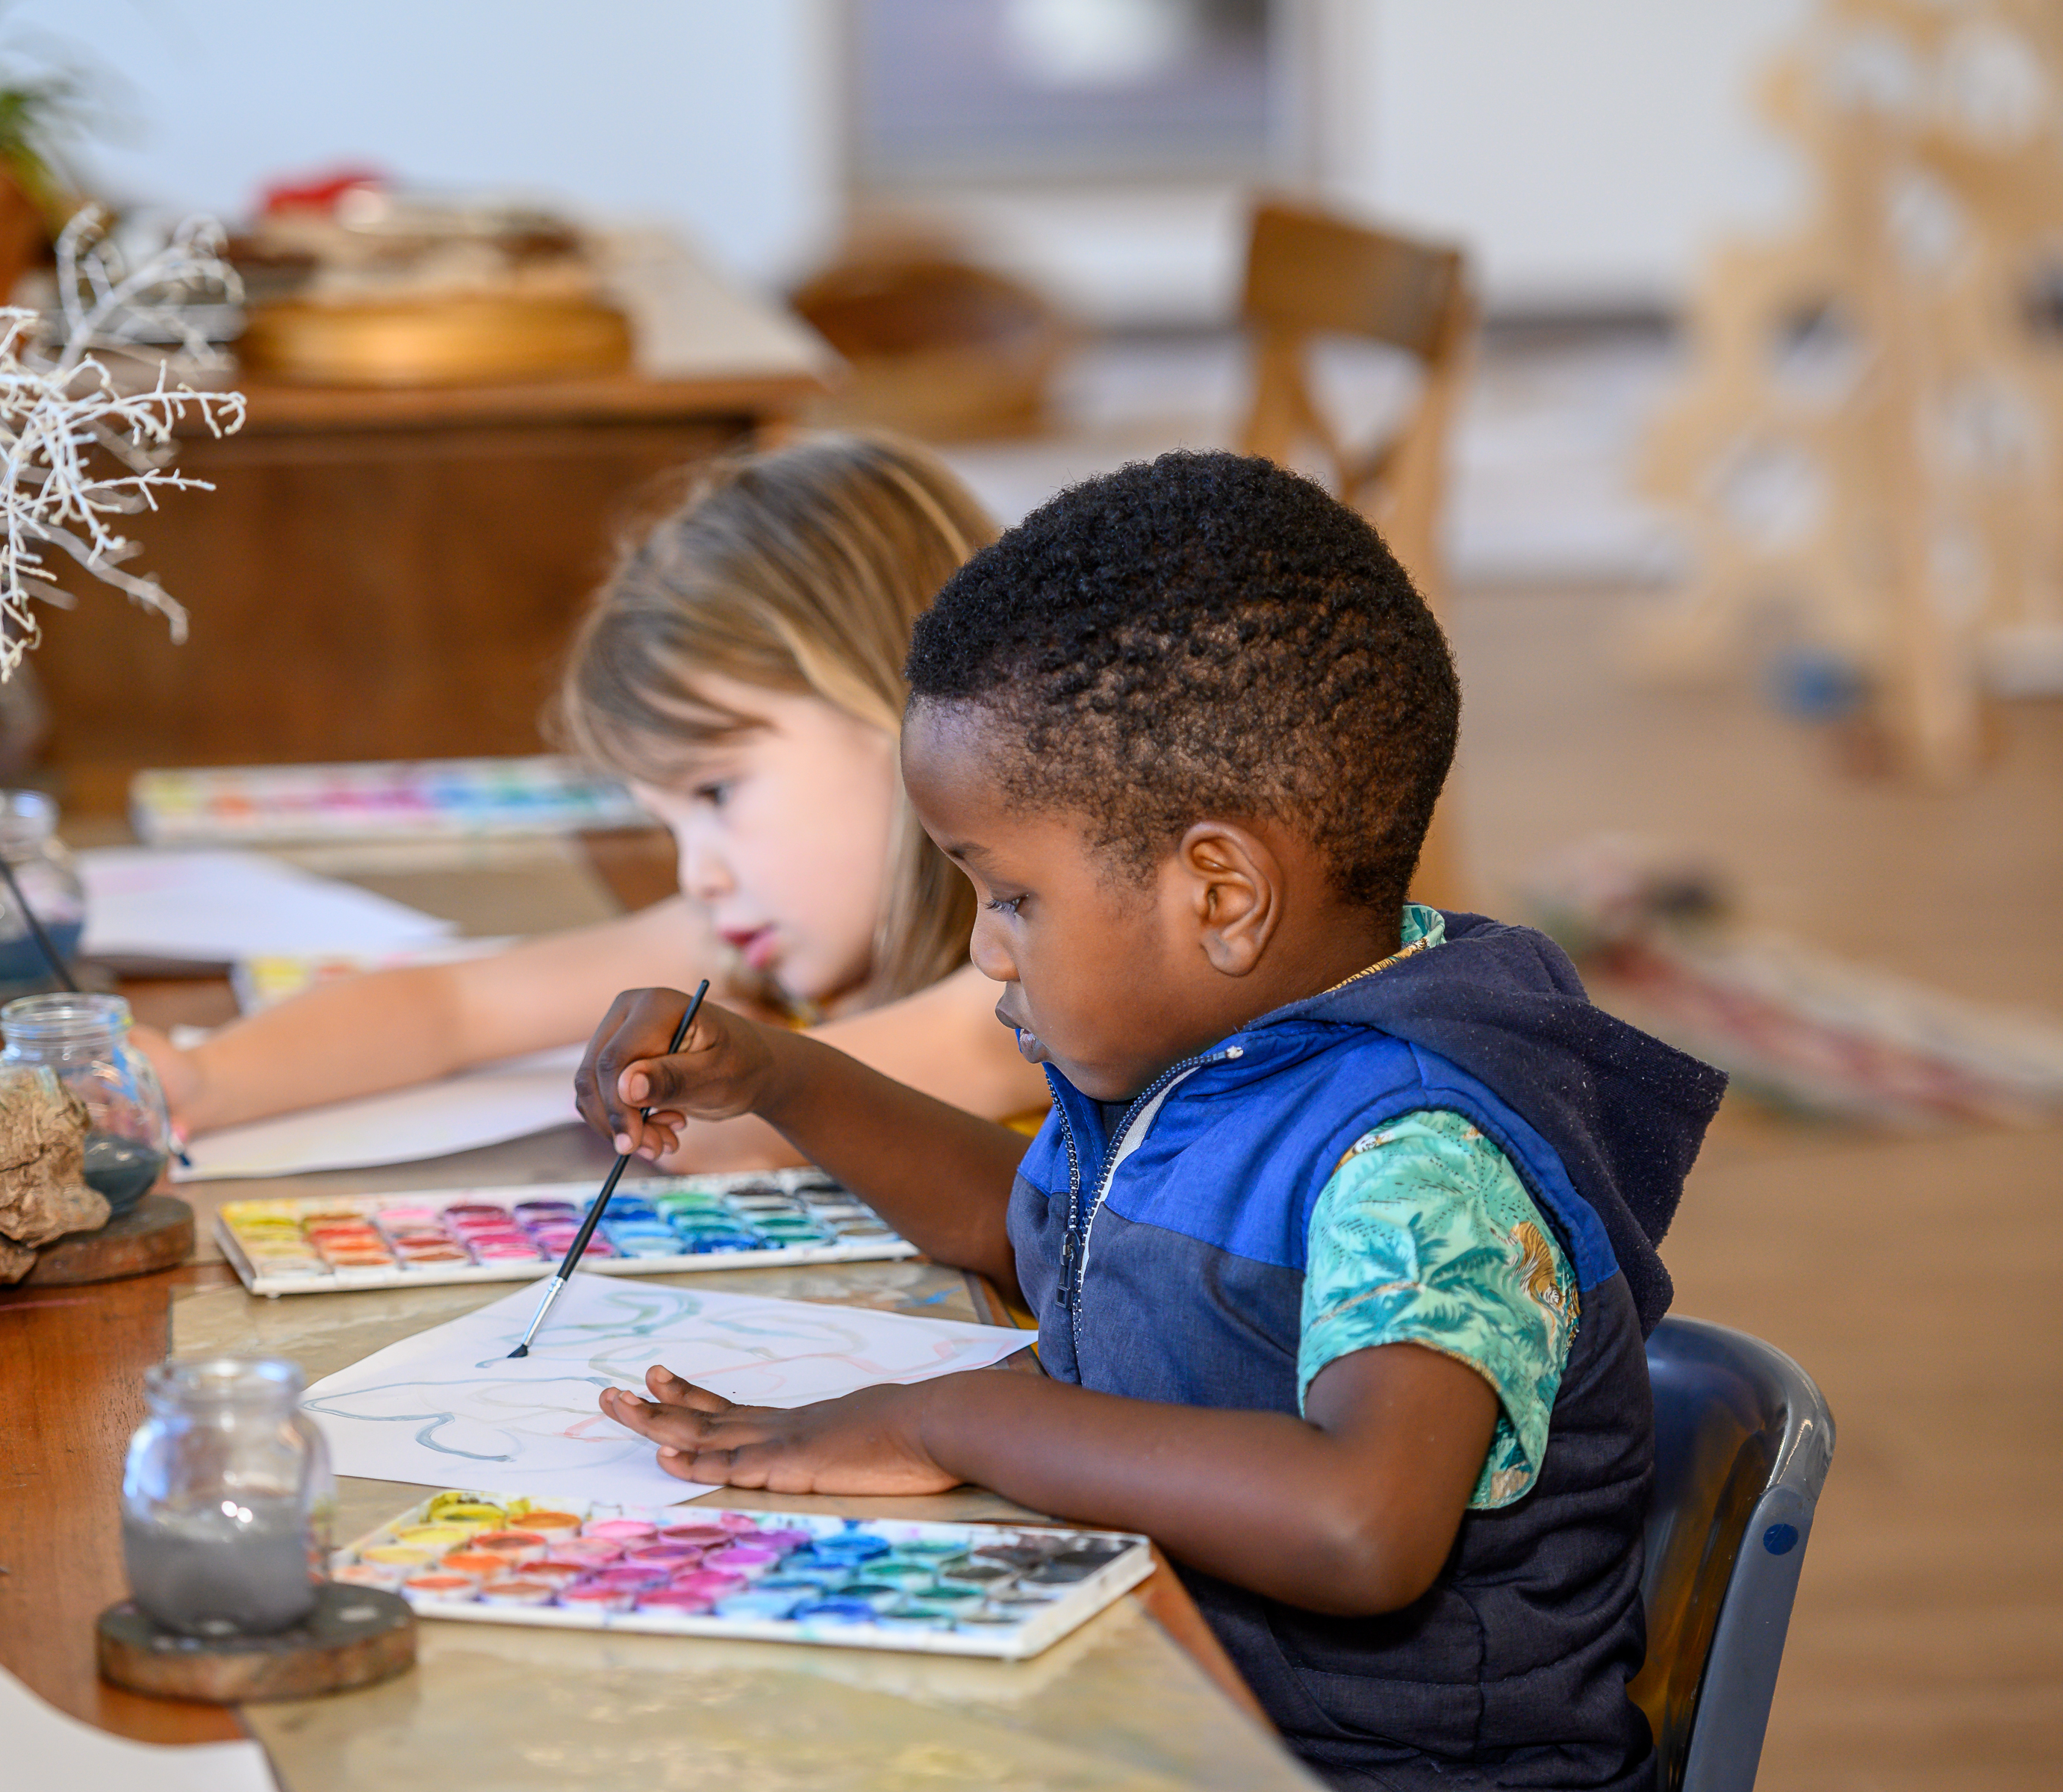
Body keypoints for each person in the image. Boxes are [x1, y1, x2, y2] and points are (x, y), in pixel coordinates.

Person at [575, 452, 1728, 1790]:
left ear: (1220, 896)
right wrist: (784, 1077)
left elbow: (1360, 1523)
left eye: (1008, 897)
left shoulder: (1418, 1158)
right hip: (1167, 1699)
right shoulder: (1211, 1052)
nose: (986, 951)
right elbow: (1040, 1233)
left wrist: (949, 1421)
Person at [139, 432, 1049, 1169]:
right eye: (670, 823)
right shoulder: (739, 933)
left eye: (718, 792)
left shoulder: (1046, 983)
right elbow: (455, 1007)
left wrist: (672, 1093)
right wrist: (207, 1078)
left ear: (899, 708)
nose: (700, 872)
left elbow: (750, 1129)